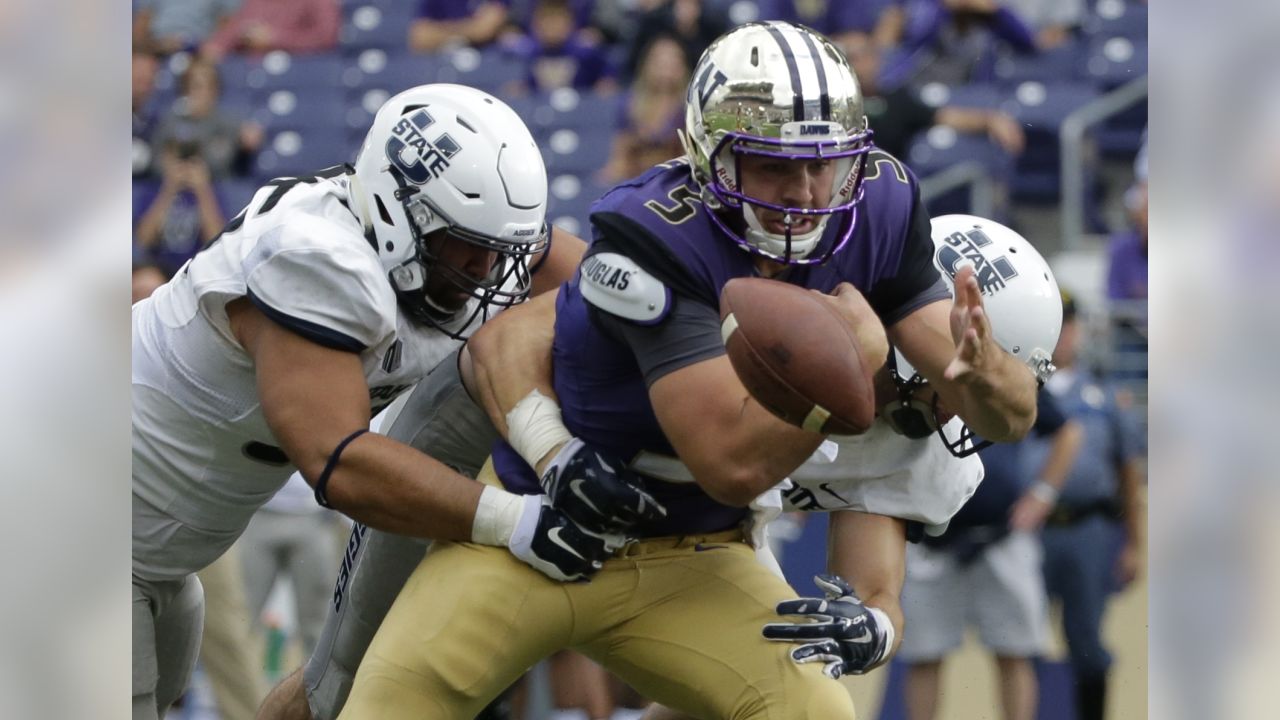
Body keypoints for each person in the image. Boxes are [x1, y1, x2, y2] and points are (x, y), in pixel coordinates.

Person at [336, 22, 1039, 719]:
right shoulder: (655, 235)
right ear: (711, 159)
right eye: (771, 164)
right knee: (377, 704)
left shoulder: (882, 216)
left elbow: (1000, 415)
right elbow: (726, 460)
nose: (802, 193)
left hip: (697, 556)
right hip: (547, 529)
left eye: (820, 163)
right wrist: (851, 359)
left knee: (817, 712)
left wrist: (978, 372)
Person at [131, 84, 650, 720]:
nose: (487, 270)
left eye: (499, 247)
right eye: (465, 245)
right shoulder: (317, 257)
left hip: (164, 550)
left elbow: (620, 296)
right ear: (394, 208)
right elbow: (340, 461)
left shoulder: (459, 237)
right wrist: (516, 523)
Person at [899, 387, 1083, 720]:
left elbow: (1067, 431)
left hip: (1002, 533)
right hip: (929, 535)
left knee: (1015, 651)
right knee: (923, 653)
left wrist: (1043, 493)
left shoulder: (1003, 363)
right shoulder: (913, 359)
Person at [1036, 291, 1145, 720]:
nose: (1063, 336)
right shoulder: (1019, 391)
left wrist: (1134, 542)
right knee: (1021, 640)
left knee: (1087, 640)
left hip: (1089, 529)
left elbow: (1128, 473)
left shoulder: (1104, 395)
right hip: (1030, 531)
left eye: (1070, 325)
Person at [843, 33, 1024, 160]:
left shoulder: (897, 100)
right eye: (849, 57)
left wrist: (990, 120)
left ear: (877, 59)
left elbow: (944, 117)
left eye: (863, 55)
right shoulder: (829, 105)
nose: (857, 65)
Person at [149, 57, 263, 180]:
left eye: (210, 87)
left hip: (220, 191)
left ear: (216, 91)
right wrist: (172, 167)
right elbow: (155, 162)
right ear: (185, 90)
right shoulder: (170, 121)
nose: (204, 93)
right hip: (173, 187)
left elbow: (224, 162)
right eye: (196, 86)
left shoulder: (230, 123)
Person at [599, 33, 690, 184]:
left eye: (672, 63)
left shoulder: (689, 108)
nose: (666, 71)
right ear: (647, 65)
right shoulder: (630, 104)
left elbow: (692, 161)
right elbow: (619, 159)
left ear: (683, 67)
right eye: (660, 63)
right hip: (636, 184)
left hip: (676, 185)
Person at [200, 0, 341, 61]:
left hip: (300, 73)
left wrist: (275, 38)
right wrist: (217, 46)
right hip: (253, 73)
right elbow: (239, 27)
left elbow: (326, 37)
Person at [408, 0, 514, 53]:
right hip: (443, 60)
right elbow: (419, 38)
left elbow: (485, 30)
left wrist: (439, 30)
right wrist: (470, 27)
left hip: (489, 58)